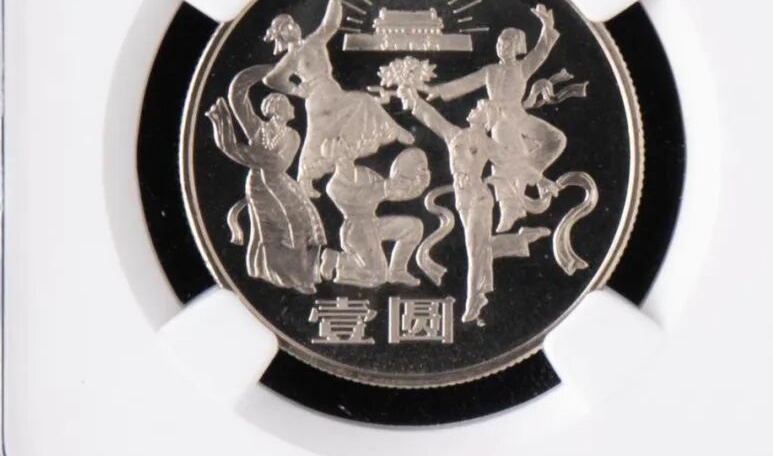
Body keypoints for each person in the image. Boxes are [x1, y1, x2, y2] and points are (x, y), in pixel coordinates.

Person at [399, 89, 547, 324]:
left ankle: (474, 300)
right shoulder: (455, 135)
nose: (473, 109)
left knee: (475, 250)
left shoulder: (487, 144)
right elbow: (432, 118)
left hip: (479, 198)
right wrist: (413, 100)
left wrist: (541, 180)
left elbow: (515, 163)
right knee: (479, 246)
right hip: (462, 199)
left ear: (486, 117)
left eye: (479, 108)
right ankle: (520, 240)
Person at [425, 4, 566, 230]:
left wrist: (546, 26)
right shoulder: (490, 71)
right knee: (507, 157)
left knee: (556, 139)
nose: (502, 47)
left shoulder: (522, 68)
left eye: (508, 44)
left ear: (517, 47)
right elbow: (467, 82)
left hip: (519, 116)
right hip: (499, 120)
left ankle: (527, 174)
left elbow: (541, 52)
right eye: (500, 43)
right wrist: (439, 91)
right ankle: (510, 207)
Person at [263, 0, 414, 189]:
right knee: (318, 136)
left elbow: (330, 25)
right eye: (287, 27)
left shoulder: (314, 41)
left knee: (353, 112)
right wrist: (295, 89)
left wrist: (335, 0)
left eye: (293, 23)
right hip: (318, 97)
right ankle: (305, 180)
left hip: (332, 90)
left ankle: (310, 177)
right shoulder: (291, 58)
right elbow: (271, 79)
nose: (293, 27)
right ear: (282, 35)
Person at [205, 64, 325, 294]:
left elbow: (279, 164)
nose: (293, 108)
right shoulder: (257, 128)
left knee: (304, 223)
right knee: (269, 231)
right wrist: (272, 71)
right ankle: (281, 277)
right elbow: (237, 94)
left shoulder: (292, 135)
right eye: (288, 104)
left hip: (279, 184)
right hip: (258, 186)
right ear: (278, 109)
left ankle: (302, 275)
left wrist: (238, 150)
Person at [321, 147, 431, 288]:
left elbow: (392, 194)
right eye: (342, 152)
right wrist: (386, 186)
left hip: (373, 223)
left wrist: (416, 186)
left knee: (413, 227)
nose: (348, 152)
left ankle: (398, 271)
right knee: (377, 276)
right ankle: (336, 258)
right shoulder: (333, 186)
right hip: (356, 229)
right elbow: (357, 198)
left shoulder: (365, 173)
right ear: (334, 159)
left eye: (348, 149)